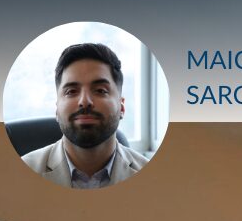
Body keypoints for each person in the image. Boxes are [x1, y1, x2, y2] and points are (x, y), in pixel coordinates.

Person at [22, 43, 148, 188]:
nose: (85, 101)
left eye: (100, 90)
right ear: (57, 109)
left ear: (122, 107)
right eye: (71, 91)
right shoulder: (19, 175)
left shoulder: (155, 180)